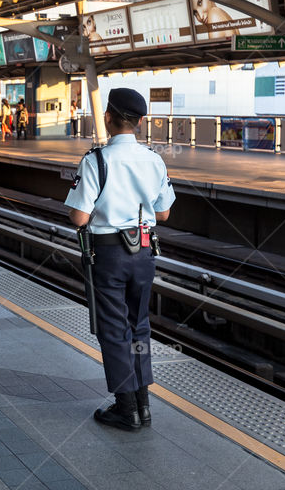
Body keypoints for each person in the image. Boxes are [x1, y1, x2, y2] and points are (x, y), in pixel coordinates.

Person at [64, 88, 175, 431]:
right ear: (140, 122)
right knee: (139, 325)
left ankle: (126, 409)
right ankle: (143, 406)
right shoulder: (154, 159)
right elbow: (164, 212)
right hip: (143, 252)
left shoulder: (96, 160)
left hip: (109, 253)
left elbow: (79, 218)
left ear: (108, 118)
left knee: (114, 330)